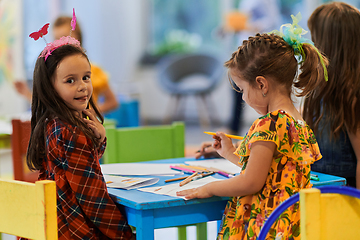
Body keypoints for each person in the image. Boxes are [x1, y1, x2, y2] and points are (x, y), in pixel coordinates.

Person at [177, 15, 328, 239]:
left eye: (243, 90)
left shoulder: (269, 123)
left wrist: (208, 189)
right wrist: (229, 152)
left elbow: (251, 181)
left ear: (261, 84)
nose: (244, 98)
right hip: (290, 224)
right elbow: (269, 171)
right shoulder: (297, 121)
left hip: (266, 225)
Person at [25, 22, 133, 239]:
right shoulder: (71, 132)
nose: (83, 86)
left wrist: (98, 138)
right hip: (72, 227)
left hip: (45, 223)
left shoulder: (50, 124)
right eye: (70, 81)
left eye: (86, 77)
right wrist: (125, 236)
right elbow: (93, 199)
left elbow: (79, 166)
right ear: (50, 87)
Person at [305, 2, 360, 189]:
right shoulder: (319, 87)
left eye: (315, 41)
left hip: (343, 196)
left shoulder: (351, 93)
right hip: (317, 188)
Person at [14, 16, 119, 114]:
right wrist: (27, 94)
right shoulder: (55, 72)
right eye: (57, 38)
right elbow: (49, 104)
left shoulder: (95, 71)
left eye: (86, 77)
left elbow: (112, 102)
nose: (61, 43)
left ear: (78, 37)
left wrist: (90, 112)